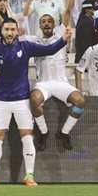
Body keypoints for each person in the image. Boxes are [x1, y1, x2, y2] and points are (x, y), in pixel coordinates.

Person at [0, 18, 72, 186]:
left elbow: (50, 50)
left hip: (22, 100)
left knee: (27, 136)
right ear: (1, 31)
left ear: (17, 32)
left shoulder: (26, 47)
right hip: (0, 101)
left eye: (12, 30)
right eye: (6, 29)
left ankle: (29, 176)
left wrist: (64, 39)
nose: (9, 33)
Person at [26, 10, 79, 151]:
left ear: (54, 24)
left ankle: (64, 133)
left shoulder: (60, 36)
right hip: (43, 83)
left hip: (61, 83)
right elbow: (8, 31)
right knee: (34, 99)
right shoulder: (34, 41)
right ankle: (44, 132)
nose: (46, 24)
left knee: (80, 101)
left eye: (49, 21)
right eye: (43, 22)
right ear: (39, 26)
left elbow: (67, 11)